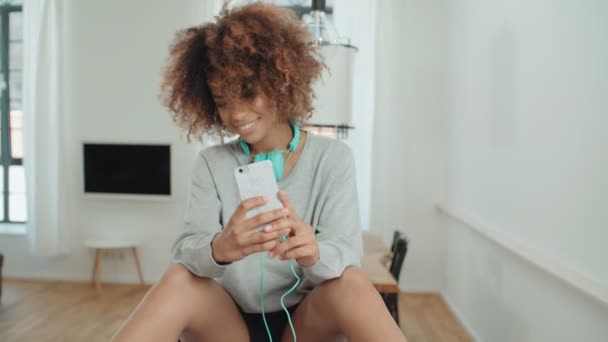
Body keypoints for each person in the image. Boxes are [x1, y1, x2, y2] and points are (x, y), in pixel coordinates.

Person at [112, 3, 406, 342]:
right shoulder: (211, 164)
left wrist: (313, 252)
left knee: (352, 281)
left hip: (306, 323)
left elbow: (346, 255)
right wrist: (219, 248)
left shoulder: (333, 159)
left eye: (248, 92)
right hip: (228, 323)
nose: (236, 113)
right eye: (222, 101)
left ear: (279, 83)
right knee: (179, 277)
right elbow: (186, 250)